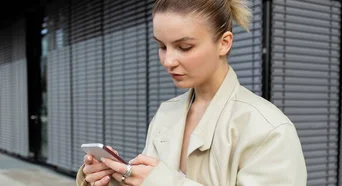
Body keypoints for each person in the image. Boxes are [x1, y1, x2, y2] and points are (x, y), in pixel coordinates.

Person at [76, 0, 307, 185]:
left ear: (224, 43)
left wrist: (159, 181)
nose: (168, 61)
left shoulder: (269, 129)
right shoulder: (167, 113)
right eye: (162, 46)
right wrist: (111, 177)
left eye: (184, 47)